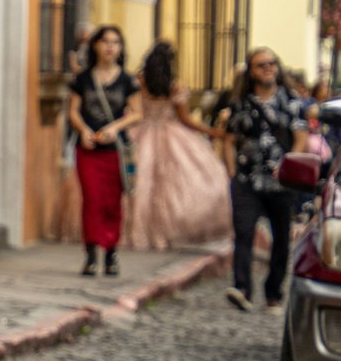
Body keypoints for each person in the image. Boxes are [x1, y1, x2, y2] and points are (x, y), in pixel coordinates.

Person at [217, 47, 309, 312]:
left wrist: (291, 163)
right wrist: (233, 174)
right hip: (247, 180)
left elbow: (300, 136)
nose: (268, 68)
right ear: (251, 72)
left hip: (281, 182)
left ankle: (273, 294)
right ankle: (242, 288)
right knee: (243, 232)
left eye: (271, 63)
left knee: (280, 239)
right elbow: (230, 140)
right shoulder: (240, 103)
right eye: (261, 65)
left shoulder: (292, 101)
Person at [121, 42, 232, 252]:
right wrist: (212, 133)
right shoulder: (175, 86)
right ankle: (166, 231)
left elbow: (131, 109)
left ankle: (134, 230)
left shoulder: (138, 81)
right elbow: (186, 120)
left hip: (139, 133)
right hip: (171, 135)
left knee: (136, 184)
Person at [67, 25, 141, 277]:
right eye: (106, 41)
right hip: (87, 149)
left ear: (120, 48)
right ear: (96, 45)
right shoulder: (83, 78)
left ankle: (111, 251)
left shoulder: (127, 80)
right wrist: (84, 130)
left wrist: (115, 127)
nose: (110, 47)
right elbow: (73, 110)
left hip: (115, 150)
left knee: (112, 202)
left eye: (116, 42)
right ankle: (91, 254)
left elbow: (137, 113)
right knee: (91, 200)